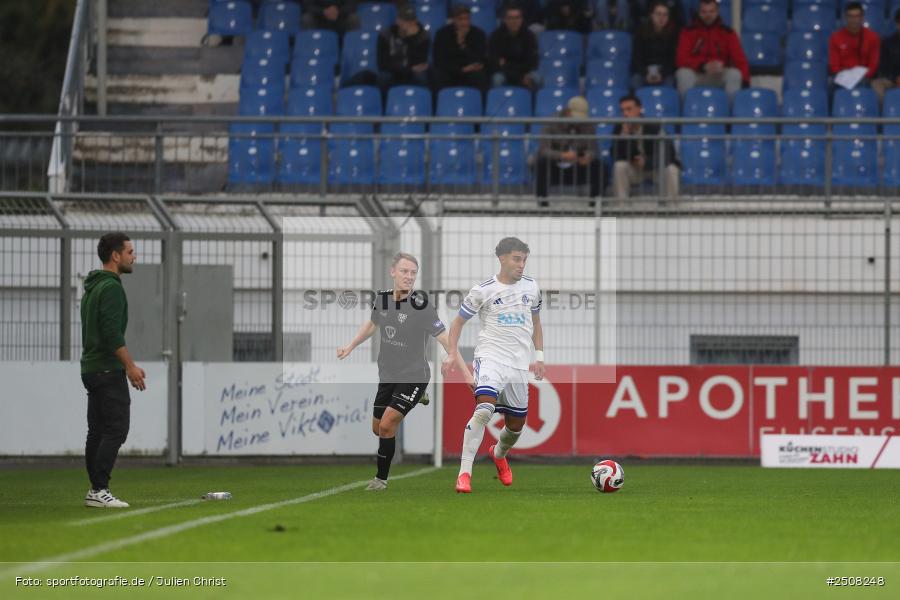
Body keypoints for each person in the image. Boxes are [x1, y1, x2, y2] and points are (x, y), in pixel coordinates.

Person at [337, 253, 469, 491]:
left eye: (413, 273)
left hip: (415, 374)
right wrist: (351, 345)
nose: (409, 276)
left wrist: (463, 370)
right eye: (405, 271)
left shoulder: (422, 307)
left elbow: (445, 338)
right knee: (377, 428)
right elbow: (372, 324)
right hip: (388, 373)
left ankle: (380, 479)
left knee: (387, 425)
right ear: (393, 272)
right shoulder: (383, 299)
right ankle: (417, 398)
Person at [443, 237, 544, 494]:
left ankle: (498, 454)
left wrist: (540, 357)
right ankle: (464, 473)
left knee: (515, 427)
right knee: (484, 409)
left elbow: (536, 323)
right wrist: (453, 356)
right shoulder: (483, 290)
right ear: (502, 259)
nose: (522, 265)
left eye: (524, 260)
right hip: (490, 358)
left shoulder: (532, 287)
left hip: (519, 366)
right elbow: (457, 324)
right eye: (516, 259)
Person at [81, 232, 145, 509]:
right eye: (130, 251)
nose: (134, 256)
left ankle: (95, 489)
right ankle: (99, 488)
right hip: (107, 369)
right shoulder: (112, 288)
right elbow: (110, 332)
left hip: (90, 367)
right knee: (116, 428)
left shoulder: (93, 288)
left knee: (96, 430)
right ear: (115, 256)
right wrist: (130, 366)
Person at [343, 5, 430, 91]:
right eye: (403, 20)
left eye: (410, 21)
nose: (406, 24)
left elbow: (419, 63)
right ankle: (383, 103)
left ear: (415, 22)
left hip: (410, 74)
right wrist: (407, 69)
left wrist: (411, 39)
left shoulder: (423, 37)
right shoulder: (386, 35)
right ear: (397, 20)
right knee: (383, 77)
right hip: (393, 73)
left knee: (421, 77)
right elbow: (382, 64)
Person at [534, 96, 605, 202]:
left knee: (600, 167)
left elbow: (593, 149)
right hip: (556, 165)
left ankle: (595, 205)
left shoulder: (589, 125)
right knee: (541, 163)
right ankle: (542, 204)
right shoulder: (551, 123)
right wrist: (562, 155)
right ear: (568, 112)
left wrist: (587, 157)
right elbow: (544, 150)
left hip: (578, 165)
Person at [675, 0, 749, 101]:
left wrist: (745, 80)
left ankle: (731, 114)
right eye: (704, 12)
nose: (708, 15)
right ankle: (687, 113)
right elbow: (681, 59)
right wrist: (702, 66)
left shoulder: (728, 33)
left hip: (719, 74)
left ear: (717, 12)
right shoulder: (688, 32)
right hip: (697, 73)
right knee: (683, 74)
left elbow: (739, 59)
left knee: (735, 74)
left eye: (711, 11)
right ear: (699, 12)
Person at [611, 94, 680, 200]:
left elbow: (669, 153)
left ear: (639, 109)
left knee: (672, 169)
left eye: (629, 109)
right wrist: (625, 135)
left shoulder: (653, 126)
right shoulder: (619, 128)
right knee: (619, 166)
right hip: (635, 170)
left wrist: (647, 162)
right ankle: (622, 208)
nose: (625, 113)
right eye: (623, 110)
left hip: (655, 169)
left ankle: (672, 209)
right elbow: (615, 155)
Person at [432, 4, 489, 93]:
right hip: (451, 71)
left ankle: (480, 105)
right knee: (438, 75)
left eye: (466, 19)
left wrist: (463, 45)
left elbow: (479, 59)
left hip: (471, 71)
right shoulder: (442, 34)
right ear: (454, 20)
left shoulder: (478, 34)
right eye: (460, 19)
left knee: (480, 75)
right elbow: (439, 60)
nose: (464, 22)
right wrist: (460, 70)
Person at [829, 2, 881, 91]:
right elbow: (834, 65)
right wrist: (845, 74)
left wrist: (861, 76)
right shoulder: (835, 37)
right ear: (845, 17)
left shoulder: (872, 37)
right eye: (850, 16)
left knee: (865, 85)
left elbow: (873, 64)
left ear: (862, 17)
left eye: (857, 16)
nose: (853, 19)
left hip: (864, 77)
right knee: (830, 83)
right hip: (842, 75)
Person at [488, 5, 541, 90]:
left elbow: (532, 62)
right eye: (510, 18)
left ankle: (533, 102)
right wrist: (519, 77)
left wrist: (506, 64)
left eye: (517, 17)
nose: (514, 21)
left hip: (524, 72)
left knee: (537, 78)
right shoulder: (495, 36)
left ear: (521, 19)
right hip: (504, 73)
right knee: (497, 79)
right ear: (505, 20)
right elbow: (494, 63)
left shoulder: (529, 36)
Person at [631, 1, 680, 90]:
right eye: (658, 14)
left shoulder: (674, 34)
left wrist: (662, 73)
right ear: (652, 15)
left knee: (669, 83)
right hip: (645, 69)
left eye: (665, 15)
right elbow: (636, 58)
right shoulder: (641, 32)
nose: (662, 18)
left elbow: (673, 60)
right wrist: (646, 73)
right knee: (635, 81)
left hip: (664, 71)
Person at [873, 9, 900, 102]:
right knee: (877, 84)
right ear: (897, 24)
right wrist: (895, 78)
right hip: (893, 80)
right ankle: (885, 113)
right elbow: (883, 68)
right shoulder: (887, 43)